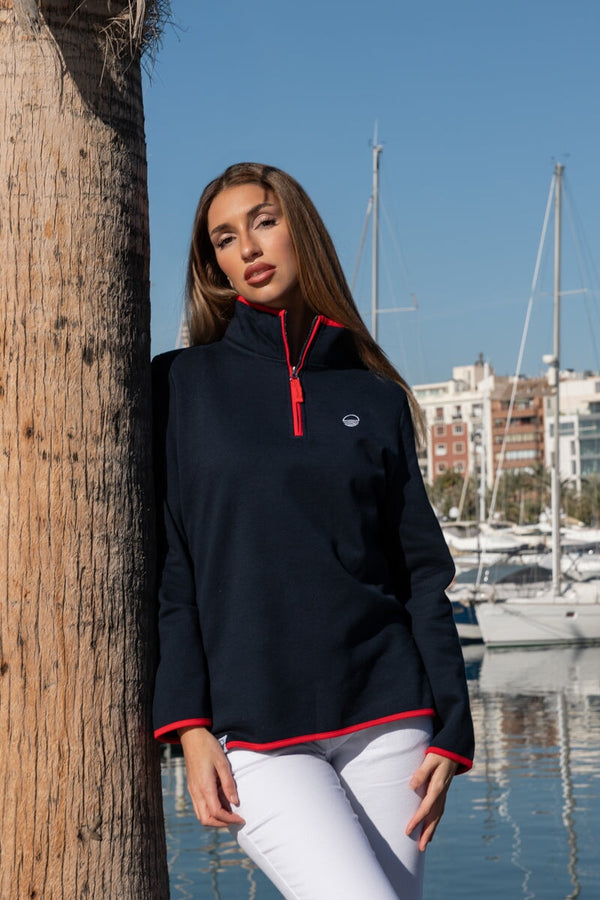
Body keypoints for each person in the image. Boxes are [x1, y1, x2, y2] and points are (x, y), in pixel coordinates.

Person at [152, 162, 474, 900]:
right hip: (254, 729)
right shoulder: (178, 387)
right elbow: (174, 566)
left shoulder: (375, 396)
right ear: (214, 264)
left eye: (264, 222)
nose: (248, 248)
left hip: (390, 717)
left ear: (301, 231)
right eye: (224, 238)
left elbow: (420, 573)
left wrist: (453, 728)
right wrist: (189, 725)